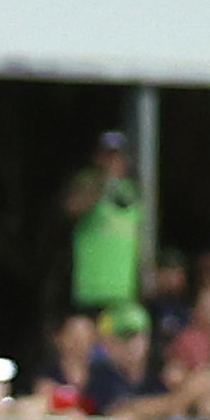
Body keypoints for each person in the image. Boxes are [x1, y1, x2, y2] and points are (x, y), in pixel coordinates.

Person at [62, 131, 140, 313]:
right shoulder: (87, 183)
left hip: (125, 292)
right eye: (108, 155)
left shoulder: (131, 191)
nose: (113, 161)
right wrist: (103, 180)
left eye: (118, 155)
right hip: (92, 291)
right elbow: (71, 208)